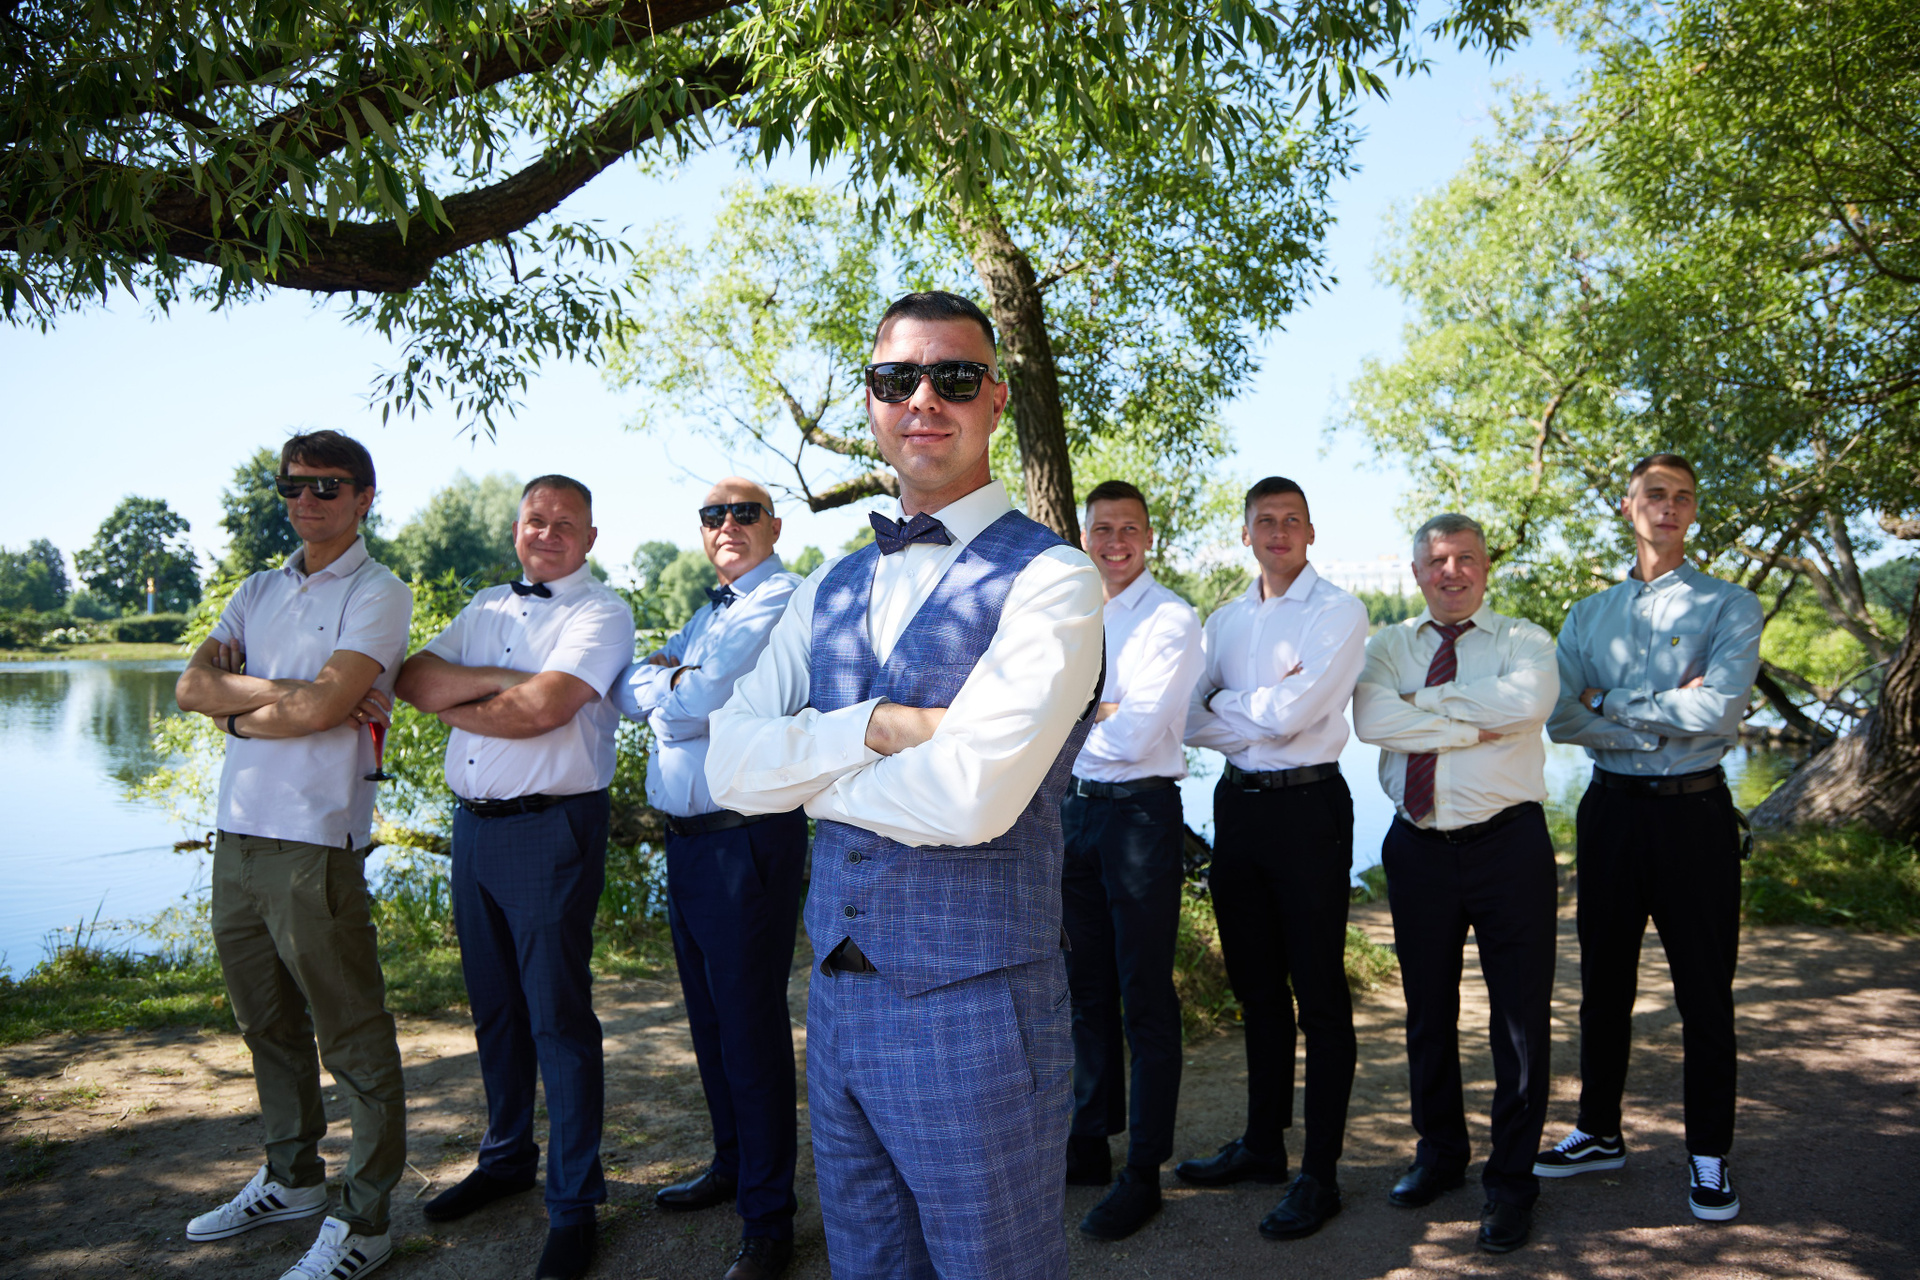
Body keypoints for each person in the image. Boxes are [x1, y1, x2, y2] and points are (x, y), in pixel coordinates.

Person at [706, 290, 1104, 1280]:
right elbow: (727, 766)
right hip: (836, 1007)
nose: (924, 398)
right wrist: (877, 727)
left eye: (954, 377)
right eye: (897, 379)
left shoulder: (1055, 579)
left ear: (996, 399)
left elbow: (970, 799)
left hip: (978, 1013)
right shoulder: (827, 586)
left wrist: (804, 776)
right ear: (872, 401)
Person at [173, 430, 412, 1280]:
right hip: (236, 836)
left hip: (316, 842)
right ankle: (292, 1178)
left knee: (351, 1036)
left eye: (326, 486)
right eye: (293, 485)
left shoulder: (380, 592)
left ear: (363, 498)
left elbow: (324, 711)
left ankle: (365, 1221)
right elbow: (190, 687)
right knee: (266, 1025)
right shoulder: (257, 588)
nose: (306, 500)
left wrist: (246, 709)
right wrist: (293, 693)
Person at [394, 476, 635, 1280]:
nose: (548, 533)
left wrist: (465, 695)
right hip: (474, 830)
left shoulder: (601, 613)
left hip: (551, 829)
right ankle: (505, 1161)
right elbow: (413, 678)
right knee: (495, 1010)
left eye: (566, 523)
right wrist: (501, 683)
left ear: (590, 539)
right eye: (536, 520)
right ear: (516, 528)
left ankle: (574, 1205)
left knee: (557, 1018)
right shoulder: (485, 606)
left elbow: (542, 711)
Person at [1541, 453, 1763, 1223]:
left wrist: (1612, 700)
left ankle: (1709, 1154)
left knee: (1705, 991)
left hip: (1694, 817)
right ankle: (1599, 1131)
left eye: (1683, 497)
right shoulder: (1587, 614)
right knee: (1603, 985)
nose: (1669, 506)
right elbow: (1562, 718)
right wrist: (1664, 710)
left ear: (1693, 512)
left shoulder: (1730, 604)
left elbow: (1719, 712)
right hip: (1609, 814)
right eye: (1655, 494)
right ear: (1628, 505)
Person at [612, 478, 806, 1280]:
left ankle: (768, 1222)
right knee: (709, 1023)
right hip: (688, 844)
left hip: (745, 842)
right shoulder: (710, 614)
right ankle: (732, 1164)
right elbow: (631, 691)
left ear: (774, 527)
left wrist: (673, 683)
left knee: (750, 1030)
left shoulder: (782, 599)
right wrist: (677, 679)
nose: (727, 525)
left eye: (744, 513)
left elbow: (698, 702)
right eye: (712, 515)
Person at [1351, 512, 1560, 1254]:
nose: (1452, 572)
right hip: (1418, 849)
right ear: (1416, 572)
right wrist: (1474, 721)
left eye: (1465, 557)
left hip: (1510, 847)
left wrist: (1422, 707)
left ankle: (1512, 1182)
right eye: (1437, 560)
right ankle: (1440, 1154)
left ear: (1485, 565)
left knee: (1520, 1021)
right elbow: (1372, 720)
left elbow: (1527, 706)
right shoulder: (1387, 646)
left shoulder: (1527, 642)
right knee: (1427, 1013)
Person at [1179, 476, 1368, 1242]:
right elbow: (1184, 717)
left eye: (1293, 520)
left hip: (1307, 809)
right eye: (1266, 520)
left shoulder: (1339, 612)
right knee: (1256, 989)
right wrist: (1255, 709)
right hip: (1239, 809)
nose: (1279, 531)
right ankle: (1263, 1146)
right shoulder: (1224, 620)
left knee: (1318, 994)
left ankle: (1319, 1174)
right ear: (1247, 533)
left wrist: (1231, 705)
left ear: (1311, 532)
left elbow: (1293, 717)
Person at [1060, 479, 1205, 1241]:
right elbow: (1043, 718)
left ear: (1149, 538)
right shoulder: (1072, 614)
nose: (1115, 542)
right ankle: (1088, 1141)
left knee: (1144, 995)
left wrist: (1075, 719)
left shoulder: (1171, 618)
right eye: (1103, 529)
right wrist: (1095, 716)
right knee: (1084, 989)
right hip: (1076, 812)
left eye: (1129, 529)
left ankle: (1144, 1171)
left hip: (1141, 816)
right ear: (1085, 537)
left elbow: (1140, 732)